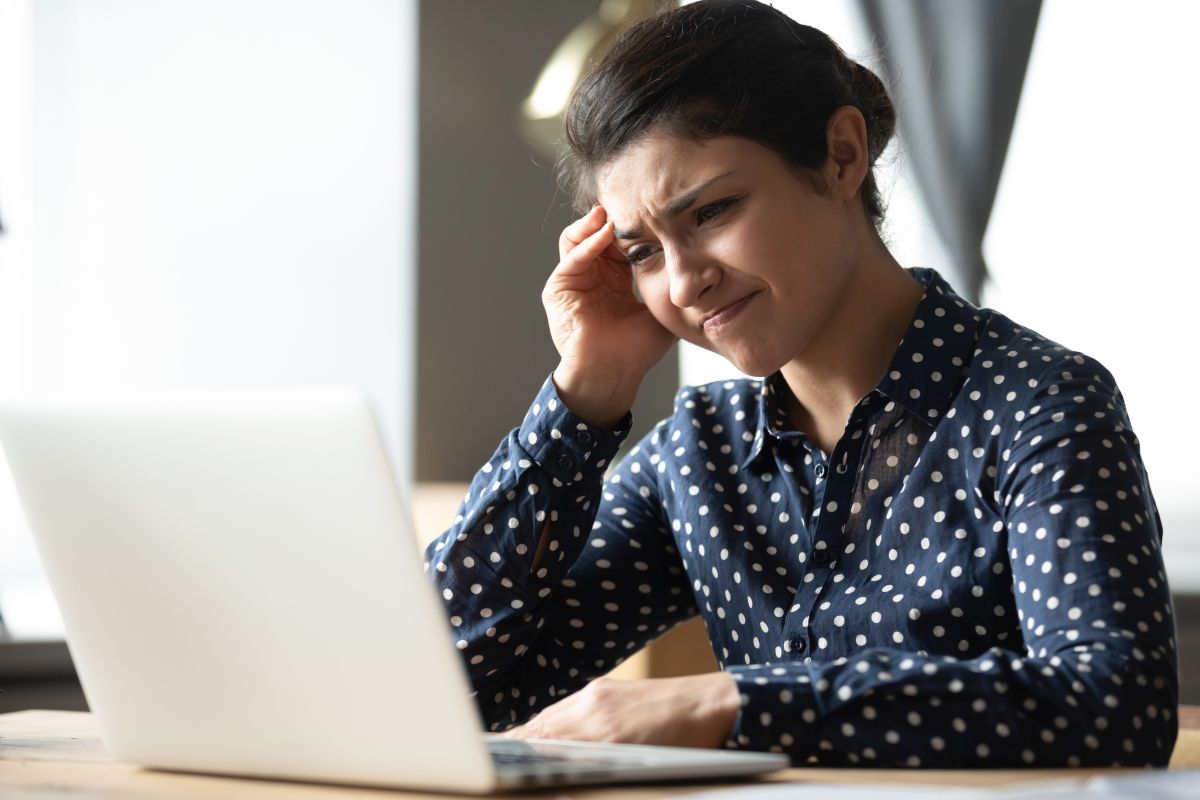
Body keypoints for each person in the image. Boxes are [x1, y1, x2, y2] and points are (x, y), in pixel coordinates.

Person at [423, 0, 1177, 767]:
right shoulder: (699, 457)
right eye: (642, 251)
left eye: (712, 211)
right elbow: (445, 693)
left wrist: (732, 703)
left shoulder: (1040, 404)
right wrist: (585, 394)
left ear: (841, 156)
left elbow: (1116, 704)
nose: (683, 283)